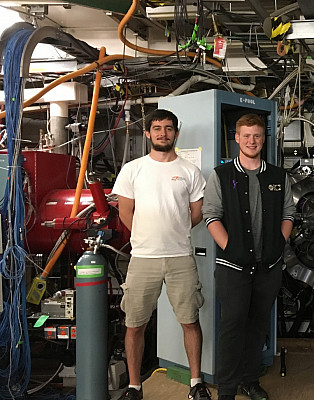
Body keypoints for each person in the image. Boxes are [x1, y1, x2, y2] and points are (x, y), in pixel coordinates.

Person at [113, 109, 211, 400]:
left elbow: (196, 213)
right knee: (134, 324)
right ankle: (134, 387)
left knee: (190, 320)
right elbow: (125, 213)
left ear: (176, 133)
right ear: (148, 133)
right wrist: (147, 234)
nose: (163, 133)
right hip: (143, 258)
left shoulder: (190, 172)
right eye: (157, 128)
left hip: (180, 256)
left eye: (168, 129)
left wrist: (173, 230)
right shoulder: (133, 169)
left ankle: (196, 383)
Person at [202, 114, 295, 400]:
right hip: (233, 268)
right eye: (246, 136)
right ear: (237, 138)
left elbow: (288, 214)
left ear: (263, 138)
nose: (252, 141)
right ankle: (227, 389)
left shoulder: (279, 177)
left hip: (268, 268)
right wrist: (231, 247)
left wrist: (279, 242)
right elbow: (211, 215)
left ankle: (250, 380)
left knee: (257, 327)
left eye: (256, 135)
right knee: (232, 327)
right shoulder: (221, 175)